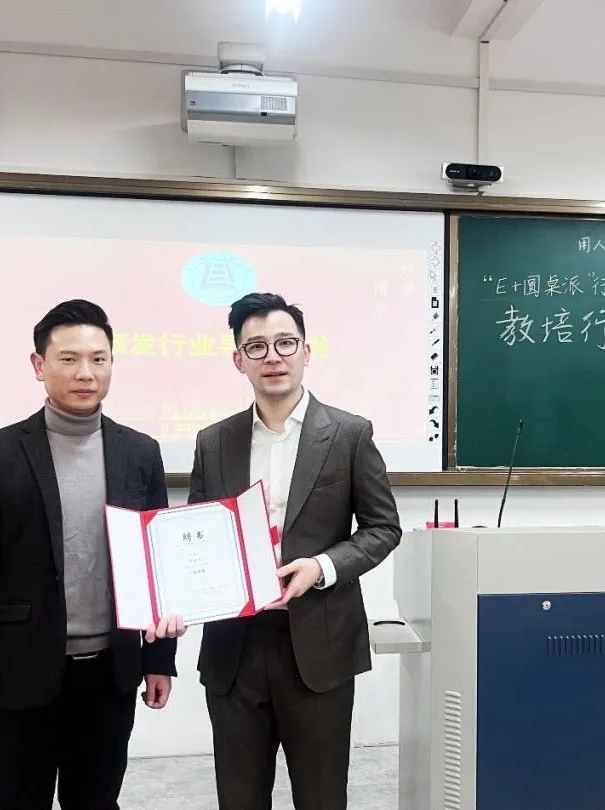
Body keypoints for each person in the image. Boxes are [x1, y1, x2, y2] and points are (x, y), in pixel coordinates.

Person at [149, 292, 402, 810]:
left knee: (321, 796)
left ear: (306, 351)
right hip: (235, 648)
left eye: (285, 343)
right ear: (238, 360)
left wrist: (322, 566)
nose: (273, 357)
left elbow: (382, 528)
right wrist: (177, 599)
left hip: (318, 643)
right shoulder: (214, 441)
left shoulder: (349, 434)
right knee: (239, 797)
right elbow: (196, 533)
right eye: (257, 346)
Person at [0, 299, 178, 810]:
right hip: (19, 675)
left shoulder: (140, 453)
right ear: (39, 365)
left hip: (110, 676)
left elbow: (157, 563)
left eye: (98, 359)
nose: (85, 372)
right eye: (68, 358)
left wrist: (160, 659)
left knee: (96, 802)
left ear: (112, 364)